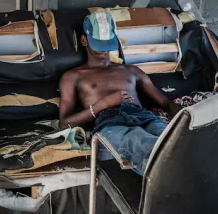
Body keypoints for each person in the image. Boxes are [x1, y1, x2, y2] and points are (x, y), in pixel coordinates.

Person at [58, 10, 182, 175]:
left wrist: (187, 120)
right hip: (110, 124)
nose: (104, 51)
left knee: (174, 143)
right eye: (99, 44)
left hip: (144, 118)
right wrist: (104, 104)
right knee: (140, 141)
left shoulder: (131, 71)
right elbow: (64, 123)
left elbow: (165, 102)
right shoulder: (73, 76)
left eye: (108, 44)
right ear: (84, 40)